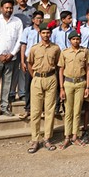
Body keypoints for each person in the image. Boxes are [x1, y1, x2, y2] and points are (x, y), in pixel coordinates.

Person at [26, 21, 61, 153]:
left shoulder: (56, 48)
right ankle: (35, 139)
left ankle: (47, 138)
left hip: (51, 78)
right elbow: (30, 64)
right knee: (35, 111)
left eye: (48, 32)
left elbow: (58, 63)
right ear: (39, 33)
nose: (46, 35)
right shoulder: (34, 48)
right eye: (43, 32)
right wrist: (35, 75)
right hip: (37, 79)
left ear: (51, 34)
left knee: (50, 110)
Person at [58, 30, 89, 149]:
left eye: (77, 39)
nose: (75, 41)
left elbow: (88, 69)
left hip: (80, 83)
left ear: (80, 40)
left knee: (77, 111)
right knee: (68, 111)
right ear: (70, 40)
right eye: (73, 39)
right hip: (68, 83)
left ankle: (75, 136)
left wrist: (87, 86)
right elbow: (61, 70)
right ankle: (67, 136)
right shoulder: (65, 52)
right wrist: (61, 88)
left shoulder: (85, 52)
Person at [19, 11, 43, 118]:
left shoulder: (45, 31)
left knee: (41, 86)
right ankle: (27, 109)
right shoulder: (27, 30)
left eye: (41, 18)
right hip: (30, 61)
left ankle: (41, 109)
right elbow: (23, 46)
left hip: (41, 62)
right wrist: (23, 61)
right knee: (28, 84)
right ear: (33, 20)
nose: (39, 20)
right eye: (37, 18)